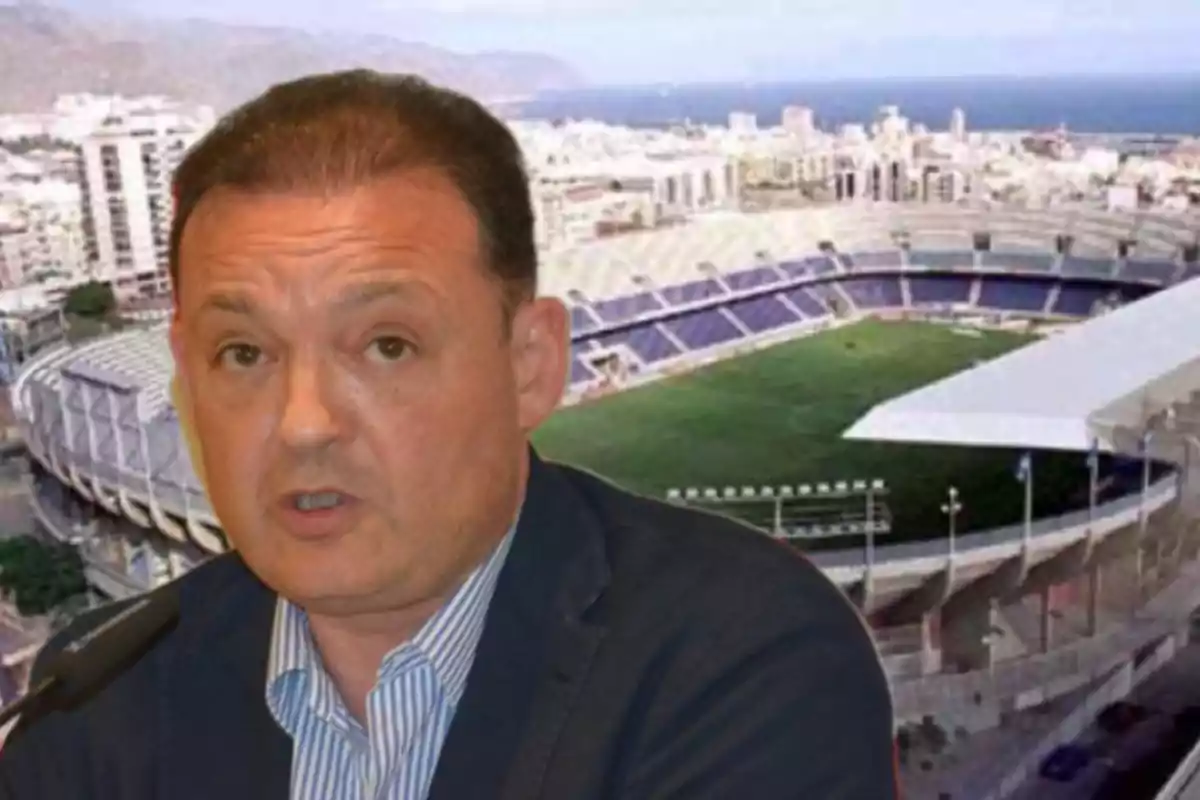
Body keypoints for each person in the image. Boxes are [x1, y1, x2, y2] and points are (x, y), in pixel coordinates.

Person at [0, 70, 897, 799]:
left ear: (530, 363)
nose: (303, 422)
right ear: (186, 378)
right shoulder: (97, 700)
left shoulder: (742, 664)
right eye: (243, 353)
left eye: (387, 345)